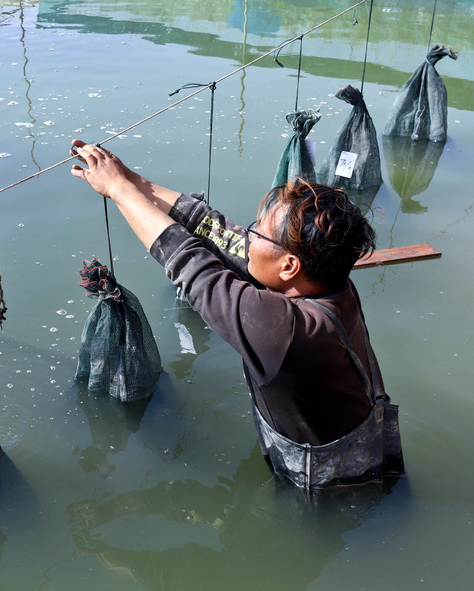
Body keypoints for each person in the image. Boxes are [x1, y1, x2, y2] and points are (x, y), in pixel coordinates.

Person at [69, 139, 404, 489]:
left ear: (289, 266)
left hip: (332, 487)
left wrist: (119, 190)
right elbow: (215, 229)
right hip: (366, 444)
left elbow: (189, 262)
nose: (248, 236)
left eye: (257, 231)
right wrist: (130, 179)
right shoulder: (329, 283)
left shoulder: (285, 331)